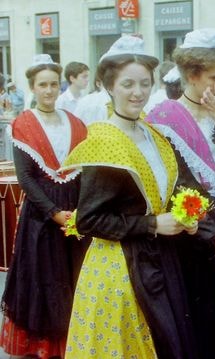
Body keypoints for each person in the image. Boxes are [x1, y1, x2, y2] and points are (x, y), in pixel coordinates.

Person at [61, 35, 199, 359]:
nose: (138, 93)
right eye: (127, 84)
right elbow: (89, 219)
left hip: (160, 258)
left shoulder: (152, 135)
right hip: (120, 268)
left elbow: (171, 191)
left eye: (144, 83)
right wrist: (152, 224)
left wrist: (186, 216)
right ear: (108, 86)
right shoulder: (105, 141)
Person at [146, 28, 215, 359]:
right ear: (193, 75)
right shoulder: (163, 118)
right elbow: (178, 187)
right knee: (201, 312)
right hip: (193, 230)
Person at [0, 54, 90, 359]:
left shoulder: (75, 122)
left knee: (73, 276)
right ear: (32, 88)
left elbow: (84, 169)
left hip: (74, 213)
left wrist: (79, 212)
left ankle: (71, 343)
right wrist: (53, 213)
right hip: (42, 216)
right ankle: (42, 348)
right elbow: (26, 178)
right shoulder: (23, 125)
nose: (49, 90)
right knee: (44, 279)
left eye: (53, 84)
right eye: (43, 85)